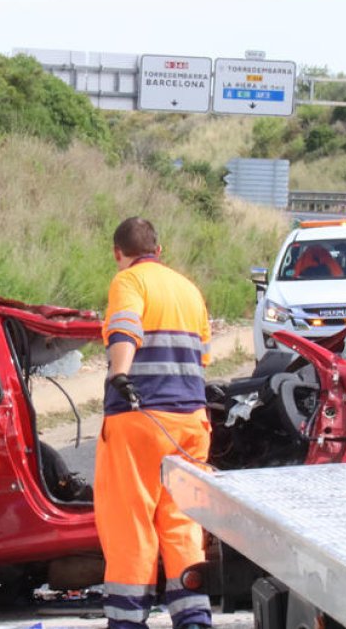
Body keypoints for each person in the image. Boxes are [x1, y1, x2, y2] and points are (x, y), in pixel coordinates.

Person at [97, 217, 213, 629]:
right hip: (191, 423)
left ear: (118, 253)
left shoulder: (128, 281)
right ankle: (193, 617)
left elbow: (125, 327)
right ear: (159, 251)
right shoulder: (189, 290)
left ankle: (128, 621)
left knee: (130, 520)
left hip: (139, 419)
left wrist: (119, 374)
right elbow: (201, 357)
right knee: (182, 521)